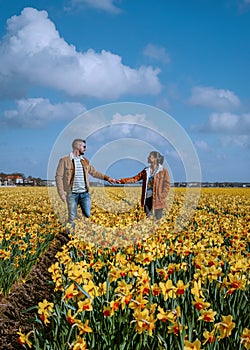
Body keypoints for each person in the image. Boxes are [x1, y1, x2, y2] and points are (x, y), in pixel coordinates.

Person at [55, 138, 115, 228]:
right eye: (84, 146)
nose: (85, 149)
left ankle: (84, 234)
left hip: (85, 194)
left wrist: (107, 178)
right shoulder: (64, 160)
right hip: (72, 194)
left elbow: (94, 173)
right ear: (77, 146)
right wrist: (61, 193)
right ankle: (71, 237)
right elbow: (58, 177)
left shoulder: (85, 161)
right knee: (72, 217)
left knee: (87, 215)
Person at [117, 151, 170, 220]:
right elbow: (135, 179)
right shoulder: (146, 171)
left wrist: (162, 195)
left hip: (158, 199)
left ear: (155, 159)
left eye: (150, 157)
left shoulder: (163, 171)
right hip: (147, 197)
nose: (148, 158)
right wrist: (121, 181)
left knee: (158, 219)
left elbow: (167, 185)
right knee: (146, 217)